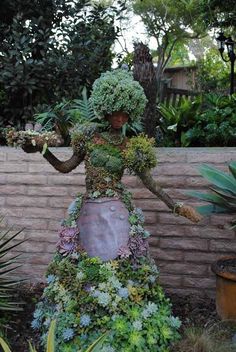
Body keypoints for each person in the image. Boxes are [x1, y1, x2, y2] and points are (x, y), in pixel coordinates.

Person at [13, 69, 201, 351]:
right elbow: (65, 167)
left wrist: (174, 205)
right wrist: (42, 150)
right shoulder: (88, 138)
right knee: (87, 263)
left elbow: (149, 182)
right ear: (106, 110)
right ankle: (81, 322)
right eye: (116, 112)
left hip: (116, 211)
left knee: (118, 261)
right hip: (89, 211)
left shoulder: (130, 147)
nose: (120, 118)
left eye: (125, 114)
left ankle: (119, 321)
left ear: (130, 114)